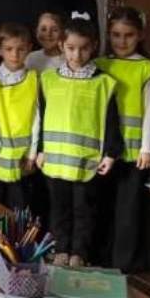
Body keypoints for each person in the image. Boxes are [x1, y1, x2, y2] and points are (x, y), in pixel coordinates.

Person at [37, 18, 122, 268]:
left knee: (84, 210)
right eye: (71, 48)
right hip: (55, 160)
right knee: (59, 208)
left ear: (93, 46)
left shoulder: (103, 82)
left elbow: (111, 121)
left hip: (87, 161)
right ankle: (61, 249)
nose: (77, 54)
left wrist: (111, 153)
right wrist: (39, 150)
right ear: (61, 46)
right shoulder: (48, 79)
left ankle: (80, 253)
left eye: (84, 48)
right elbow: (41, 118)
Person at [96, 7, 150, 273]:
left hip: (134, 152)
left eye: (128, 35)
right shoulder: (100, 65)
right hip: (104, 151)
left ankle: (124, 264)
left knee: (129, 210)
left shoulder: (148, 69)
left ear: (140, 36)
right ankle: (102, 258)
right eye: (116, 34)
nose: (121, 41)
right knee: (103, 206)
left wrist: (147, 148)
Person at [0, 23, 40, 209]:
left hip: (23, 157)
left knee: (20, 208)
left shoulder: (33, 79)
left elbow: (36, 118)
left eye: (20, 49)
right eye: (9, 49)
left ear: (29, 49)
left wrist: (32, 153)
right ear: (0, 50)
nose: (15, 54)